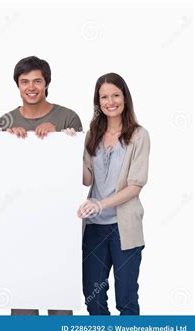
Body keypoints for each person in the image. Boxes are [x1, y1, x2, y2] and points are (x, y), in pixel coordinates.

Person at [0, 56, 81, 316]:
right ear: (17, 85)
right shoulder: (4, 123)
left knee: (60, 309)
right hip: (18, 229)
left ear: (46, 83)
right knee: (23, 311)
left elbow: (79, 171)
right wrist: (8, 142)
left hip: (59, 227)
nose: (31, 87)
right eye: (24, 82)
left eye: (37, 81)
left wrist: (57, 139)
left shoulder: (68, 118)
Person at [78, 73, 150, 315]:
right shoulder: (92, 134)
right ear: (98, 102)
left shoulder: (139, 135)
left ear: (125, 98)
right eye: (104, 97)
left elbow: (135, 186)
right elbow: (87, 178)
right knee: (93, 299)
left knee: (127, 300)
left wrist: (101, 204)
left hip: (123, 227)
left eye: (116, 95)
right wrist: (68, 148)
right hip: (95, 227)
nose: (110, 101)